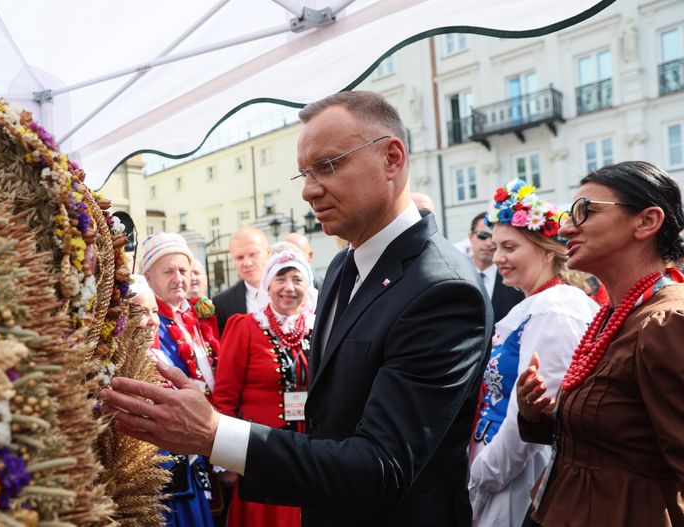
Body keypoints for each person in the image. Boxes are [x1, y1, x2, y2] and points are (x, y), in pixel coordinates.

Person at [100, 91, 491, 526]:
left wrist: (215, 433)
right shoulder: (345, 264)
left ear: (392, 159)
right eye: (304, 173)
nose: (308, 190)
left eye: (328, 165)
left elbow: (381, 467)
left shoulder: (442, 290)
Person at [516, 161, 684, 526]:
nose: (565, 227)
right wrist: (537, 415)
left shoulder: (666, 322)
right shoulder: (614, 312)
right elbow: (612, 434)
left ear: (646, 221)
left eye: (585, 211)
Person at [468, 181, 599, 526]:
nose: (498, 258)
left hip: (519, 475)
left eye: (510, 247)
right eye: (495, 247)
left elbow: (534, 411)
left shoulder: (553, 310)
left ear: (546, 250)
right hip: (503, 464)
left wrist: (485, 473)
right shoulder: (537, 306)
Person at [213, 250, 318, 527]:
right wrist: (226, 458)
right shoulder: (245, 326)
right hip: (259, 452)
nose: (289, 288)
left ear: (308, 288)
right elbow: (224, 397)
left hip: (311, 450)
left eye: (297, 279)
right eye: (280, 279)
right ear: (268, 285)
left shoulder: (317, 329)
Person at [140, 232, 219, 527]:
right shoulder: (148, 323)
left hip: (208, 434)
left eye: (183, 270)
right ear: (149, 277)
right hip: (177, 444)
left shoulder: (193, 315)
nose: (178, 278)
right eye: (168, 271)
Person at [213, 226, 270, 334]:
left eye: (253, 254)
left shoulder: (288, 292)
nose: (247, 263)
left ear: (268, 253)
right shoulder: (222, 304)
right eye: (239, 257)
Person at [469, 212, 523, 325]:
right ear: (470, 236)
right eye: (482, 236)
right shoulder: (456, 276)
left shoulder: (515, 282)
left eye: (493, 238)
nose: (489, 243)